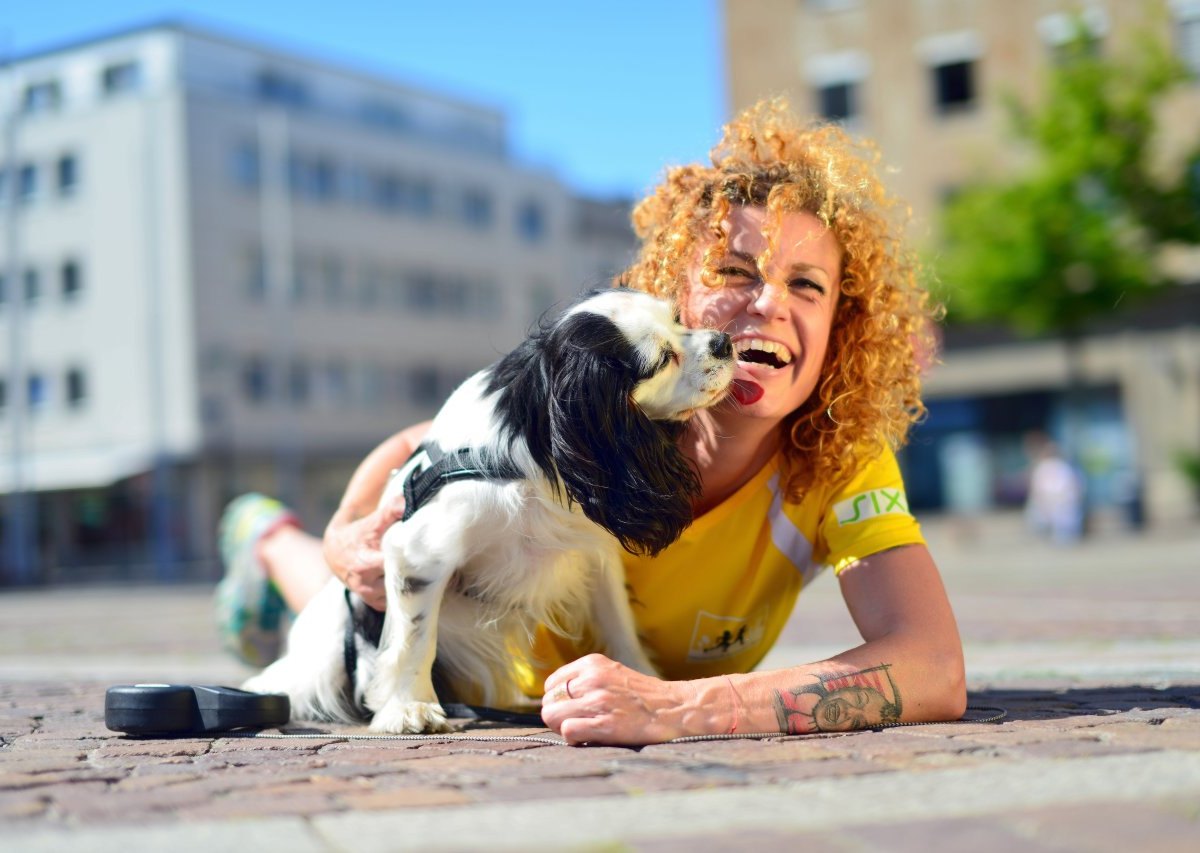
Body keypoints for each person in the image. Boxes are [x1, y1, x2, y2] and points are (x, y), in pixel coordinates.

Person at [216, 99, 966, 745]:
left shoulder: (841, 460)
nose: (769, 303)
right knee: (344, 585)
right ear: (674, 288)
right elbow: (422, 444)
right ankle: (269, 537)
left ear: (843, 324)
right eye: (735, 272)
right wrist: (350, 534)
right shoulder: (610, 400)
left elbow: (933, 666)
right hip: (463, 629)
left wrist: (684, 708)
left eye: (807, 285)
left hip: (589, 677)